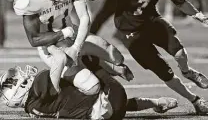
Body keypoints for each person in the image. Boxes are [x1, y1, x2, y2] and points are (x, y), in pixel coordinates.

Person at [79, 0, 208, 115]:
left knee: (180, 53)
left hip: (151, 20)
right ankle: (195, 100)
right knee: (164, 72)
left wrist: (197, 14)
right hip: (129, 30)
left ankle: (187, 71)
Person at [13, 0, 134, 93]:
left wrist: (76, 48)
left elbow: (84, 18)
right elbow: (34, 39)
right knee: (92, 87)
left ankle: (93, 62)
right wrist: (64, 33)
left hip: (74, 34)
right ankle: (53, 92)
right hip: (50, 46)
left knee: (116, 56)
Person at [0, 57, 178, 120]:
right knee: (83, 57)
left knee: (86, 95)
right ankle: (116, 69)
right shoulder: (40, 83)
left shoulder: (31, 108)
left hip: (107, 114)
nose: (21, 76)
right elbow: (60, 60)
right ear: (18, 88)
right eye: (13, 80)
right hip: (112, 99)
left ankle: (155, 102)